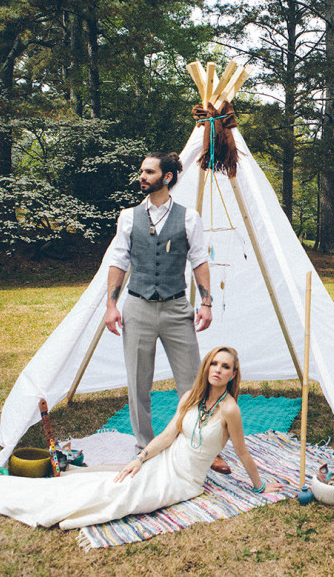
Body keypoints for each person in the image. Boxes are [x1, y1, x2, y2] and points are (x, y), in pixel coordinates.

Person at [0, 347, 282, 529]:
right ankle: (3, 491)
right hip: (164, 462)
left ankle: (36, 502)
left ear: (234, 374)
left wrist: (258, 486)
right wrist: (139, 459)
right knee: (117, 480)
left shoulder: (230, 410)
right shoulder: (191, 398)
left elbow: (243, 452)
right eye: (214, 363)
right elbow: (167, 435)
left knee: (122, 499)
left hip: (186, 480)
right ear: (207, 367)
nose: (218, 370)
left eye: (225, 367)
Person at [101, 152, 229, 472]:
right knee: (137, 382)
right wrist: (111, 305)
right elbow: (118, 262)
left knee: (193, 382)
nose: (141, 176)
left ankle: (203, 445)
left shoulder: (189, 218)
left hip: (175, 308)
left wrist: (206, 302)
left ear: (167, 177)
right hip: (138, 307)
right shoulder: (129, 217)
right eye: (142, 171)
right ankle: (144, 446)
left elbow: (199, 260)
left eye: (149, 171)